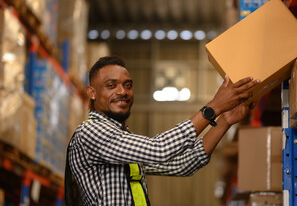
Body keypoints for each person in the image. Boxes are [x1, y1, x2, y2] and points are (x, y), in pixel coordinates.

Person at [65, 56, 260, 205]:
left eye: (127, 85)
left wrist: (225, 120)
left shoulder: (122, 140)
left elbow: (182, 165)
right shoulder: (90, 132)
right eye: (111, 86)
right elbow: (159, 149)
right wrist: (213, 108)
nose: (122, 92)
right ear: (92, 93)